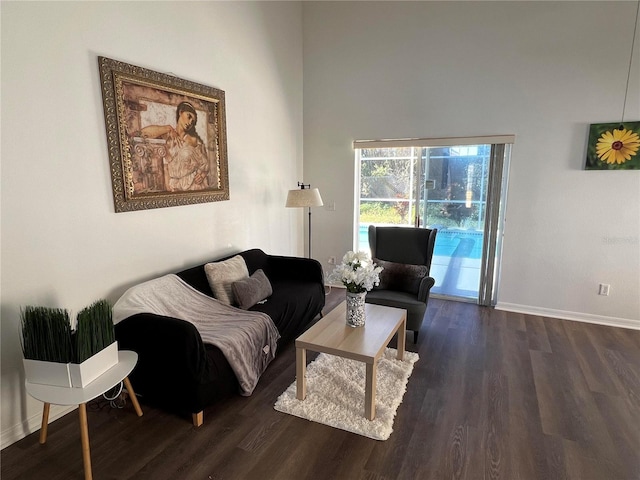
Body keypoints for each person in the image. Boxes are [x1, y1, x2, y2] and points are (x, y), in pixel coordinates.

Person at [139, 101, 210, 191]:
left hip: (193, 186)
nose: (190, 122)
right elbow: (142, 133)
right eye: (189, 117)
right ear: (180, 112)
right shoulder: (167, 136)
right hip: (174, 186)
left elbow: (205, 165)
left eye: (193, 121)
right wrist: (167, 128)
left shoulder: (193, 140)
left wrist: (202, 175)